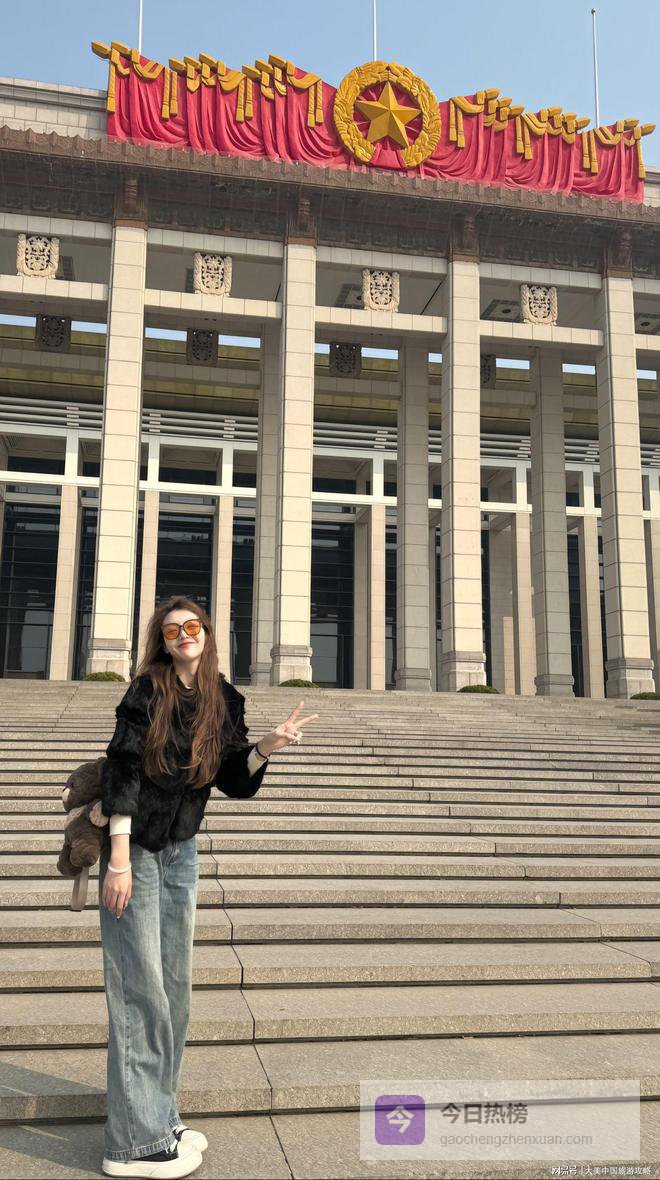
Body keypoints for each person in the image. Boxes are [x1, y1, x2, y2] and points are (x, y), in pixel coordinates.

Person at [98, 596, 318, 1178]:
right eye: (172, 630)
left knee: (174, 992)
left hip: (181, 851)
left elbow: (232, 779)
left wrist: (267, 745)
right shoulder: (147, 691)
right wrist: (117, 857)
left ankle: (160, 1116)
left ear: (207, 633)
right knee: (140, 992)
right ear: (162, 641)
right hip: (135, 851)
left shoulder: (223, 698)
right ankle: (132, 1146)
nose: (183, 635)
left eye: (192, 626)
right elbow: (121, 766)